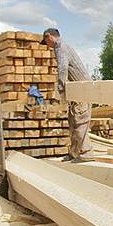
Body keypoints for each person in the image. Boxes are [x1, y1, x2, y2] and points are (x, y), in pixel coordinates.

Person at [40, 28, 94, 162]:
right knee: (73, 121)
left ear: (49, 37)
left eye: (46, 42)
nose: (47, 45)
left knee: (80, 120)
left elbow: (63, 68)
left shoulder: (60, 47)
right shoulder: (62, 47)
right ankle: (75, 153)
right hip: (77, 90)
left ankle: (86, 154)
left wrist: (61, 90)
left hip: (82, 90)